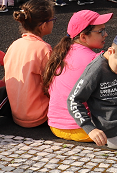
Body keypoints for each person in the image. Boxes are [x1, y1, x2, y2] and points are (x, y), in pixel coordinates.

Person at [70, 30, 117, 150]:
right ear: (111, 51)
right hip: (114, 131)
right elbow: (73, 100)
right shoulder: (96, 70)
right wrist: (90, 129)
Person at [43, 10, 111, 141]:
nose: (106, 34)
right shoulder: (95, 60)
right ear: (83, 37)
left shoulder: (61, 53)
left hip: (56, 126)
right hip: (83, 129)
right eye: (101, 31)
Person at [2, 0, 54, 129]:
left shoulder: (14, 45)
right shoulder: (44, 49)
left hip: (16, 113)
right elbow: (52, 83)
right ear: (43, 26)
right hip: (38, 116)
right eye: (53, 20)